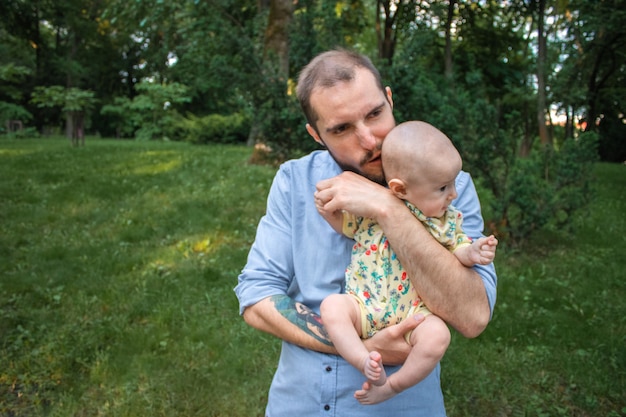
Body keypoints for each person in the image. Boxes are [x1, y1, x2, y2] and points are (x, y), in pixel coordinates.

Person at [235, 49, 497, 417]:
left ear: (389, 99)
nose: (370, 140)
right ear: (315, 134)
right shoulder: (295, 181)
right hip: (298, 405)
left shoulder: (448, 187)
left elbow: (473, 316)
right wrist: (361, 344)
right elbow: (256, 296)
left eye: (375, 114)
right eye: (341, 129)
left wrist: (388, 208)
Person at [318, 120, 498, 405]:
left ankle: (392, 385)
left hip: (413, 313)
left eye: (452, 184)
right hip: (363, 304)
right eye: (442, 188)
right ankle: (364, 358)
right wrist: (326, 208)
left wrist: (473, 252)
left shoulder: (443, 220)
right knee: (332, 307)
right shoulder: (368, 213)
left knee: (438, 336)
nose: (453, 194)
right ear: (400, 189)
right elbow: (344, 225)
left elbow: (458, 247)